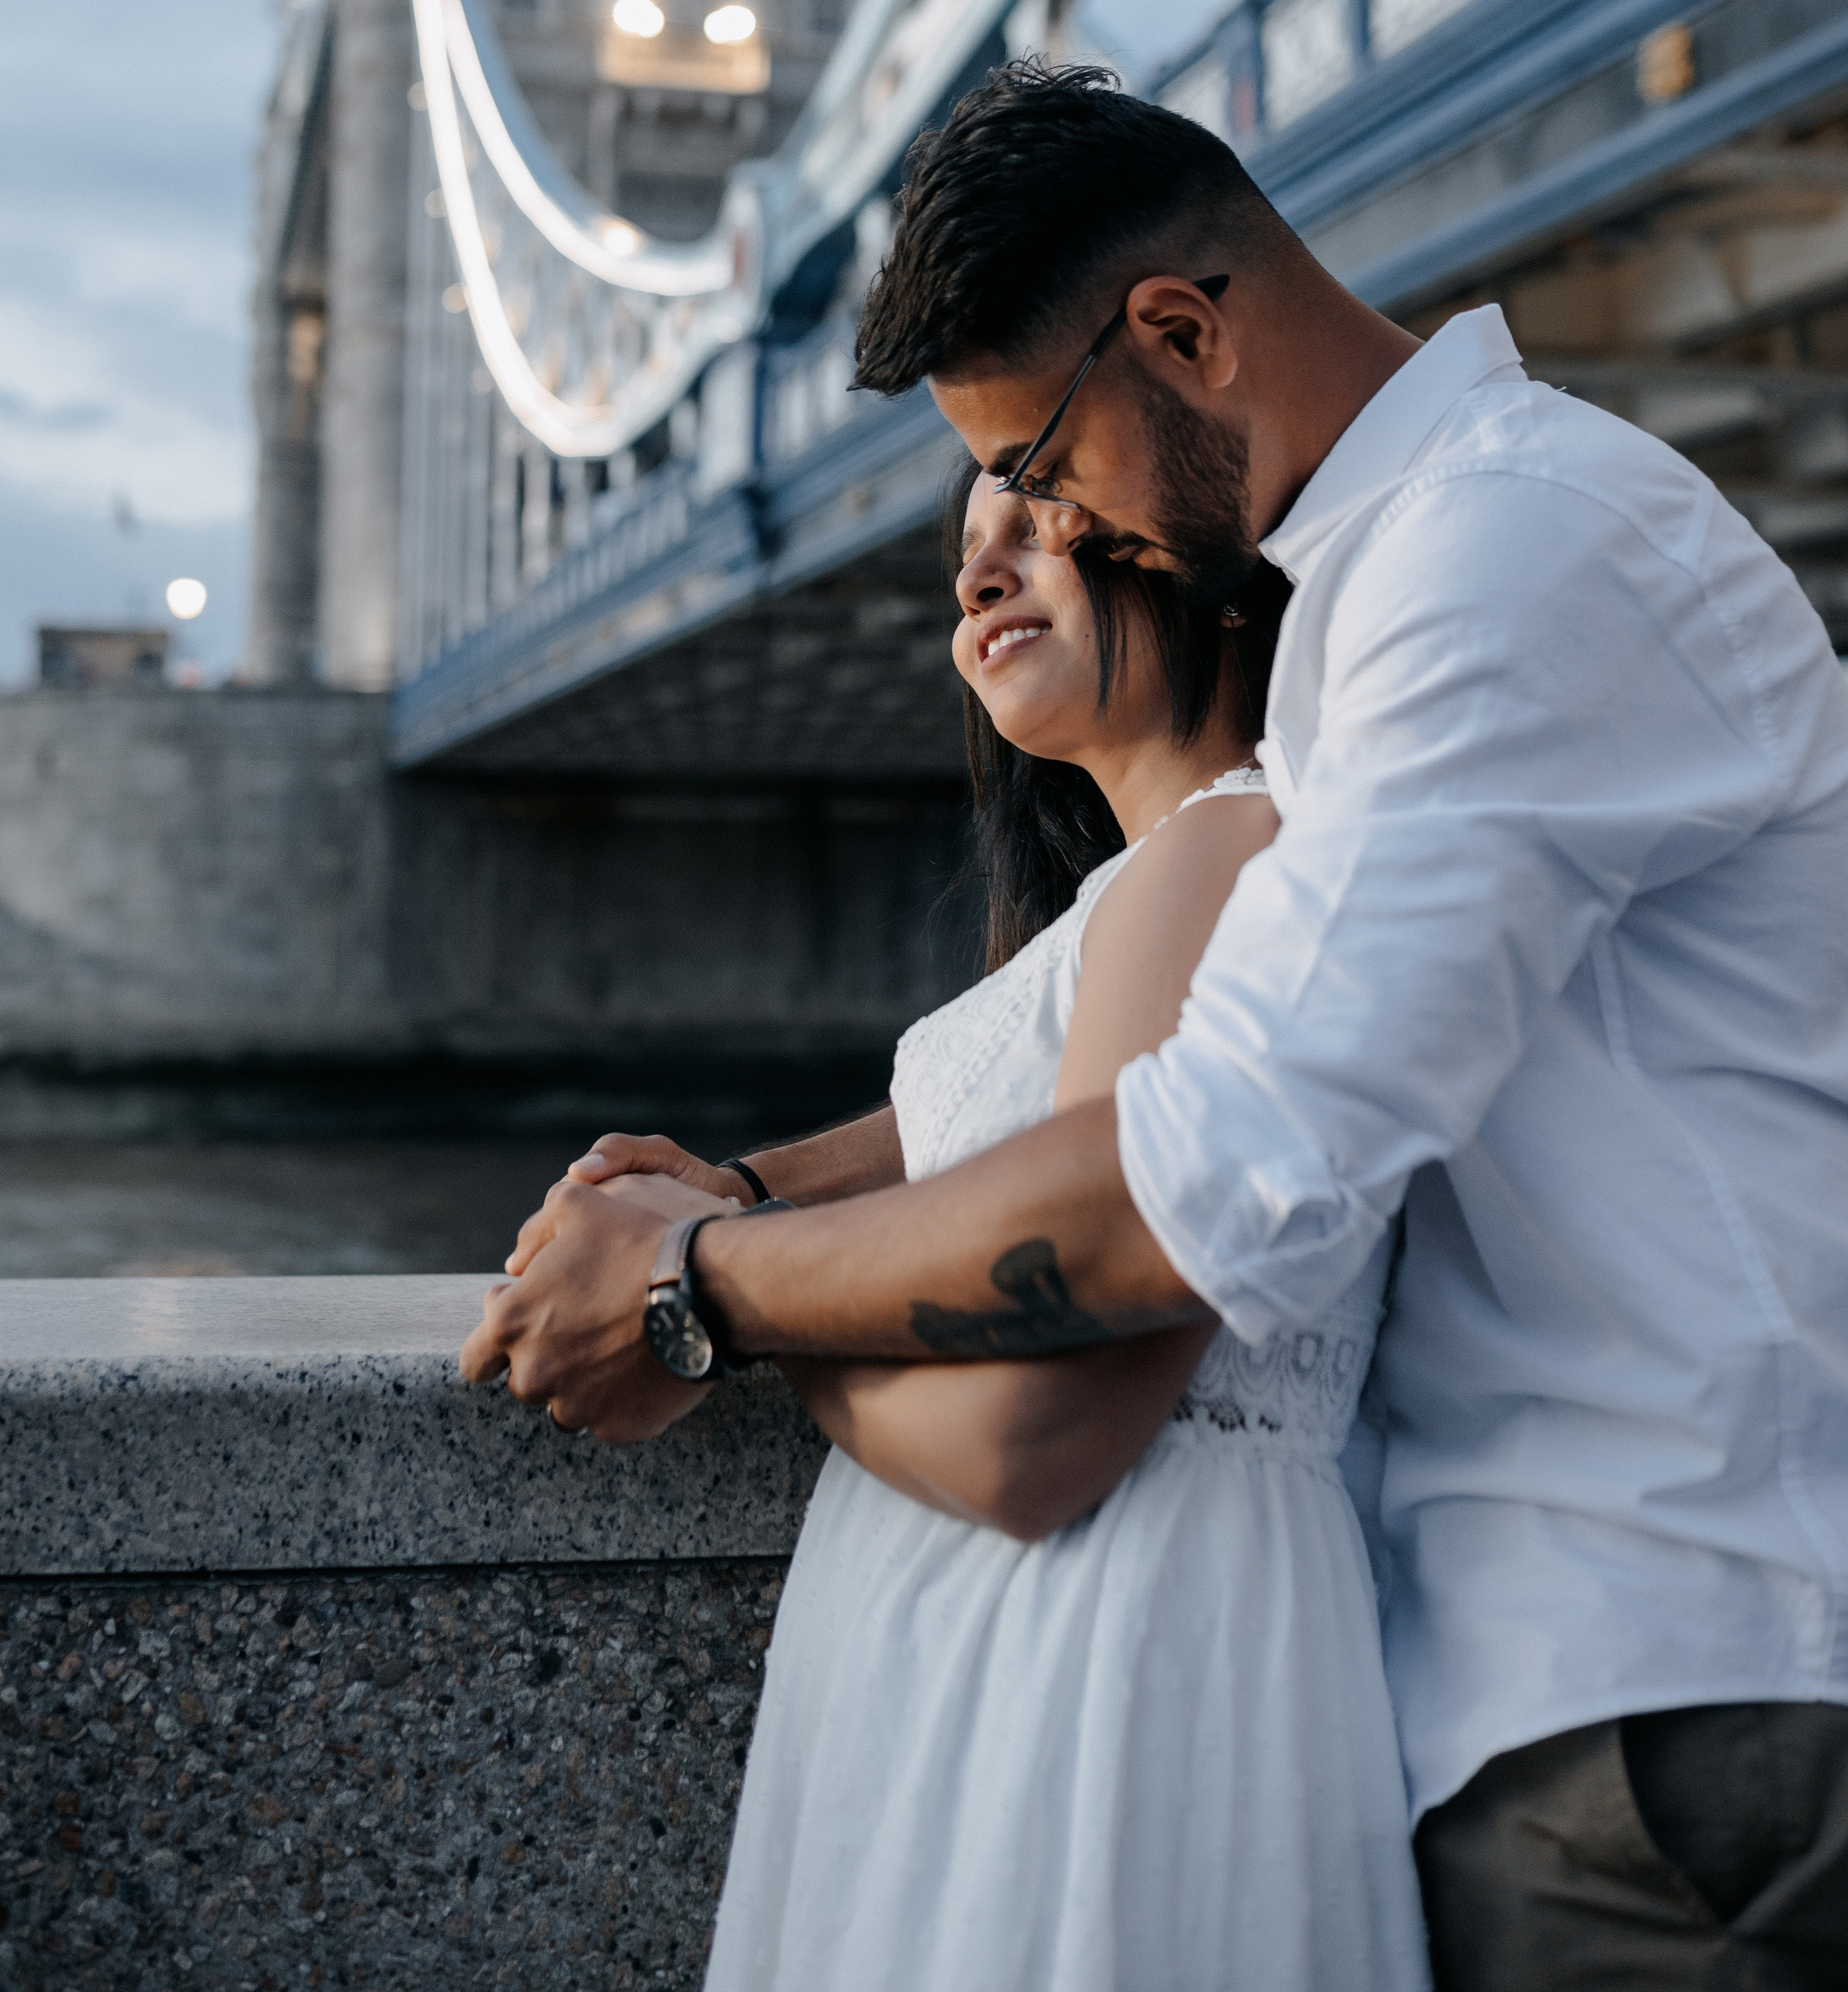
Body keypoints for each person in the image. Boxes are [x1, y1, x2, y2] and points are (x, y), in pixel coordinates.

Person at [463, 61, 1848, 1987]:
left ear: (1179, 334)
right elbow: (1137, 1048)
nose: (1028, 521)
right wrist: (746, 1181)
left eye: (1035, 464)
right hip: (1539, 1691)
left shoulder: (1502, 555)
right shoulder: (1391, 601)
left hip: (1680, 1704)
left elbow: (1202, 1187)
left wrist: (703, 1285)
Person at [564, 473, 1425, 1989]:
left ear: (1203, 568)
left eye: (1036, 522)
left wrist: (708, 1299)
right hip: (1024, 1633)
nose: (981, 580)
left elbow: (1029, 1446)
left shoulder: (1224, 860)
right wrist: (722, 1202)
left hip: (1098, 1645)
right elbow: (948, 1157)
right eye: (966, 555)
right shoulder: (1147, 893)